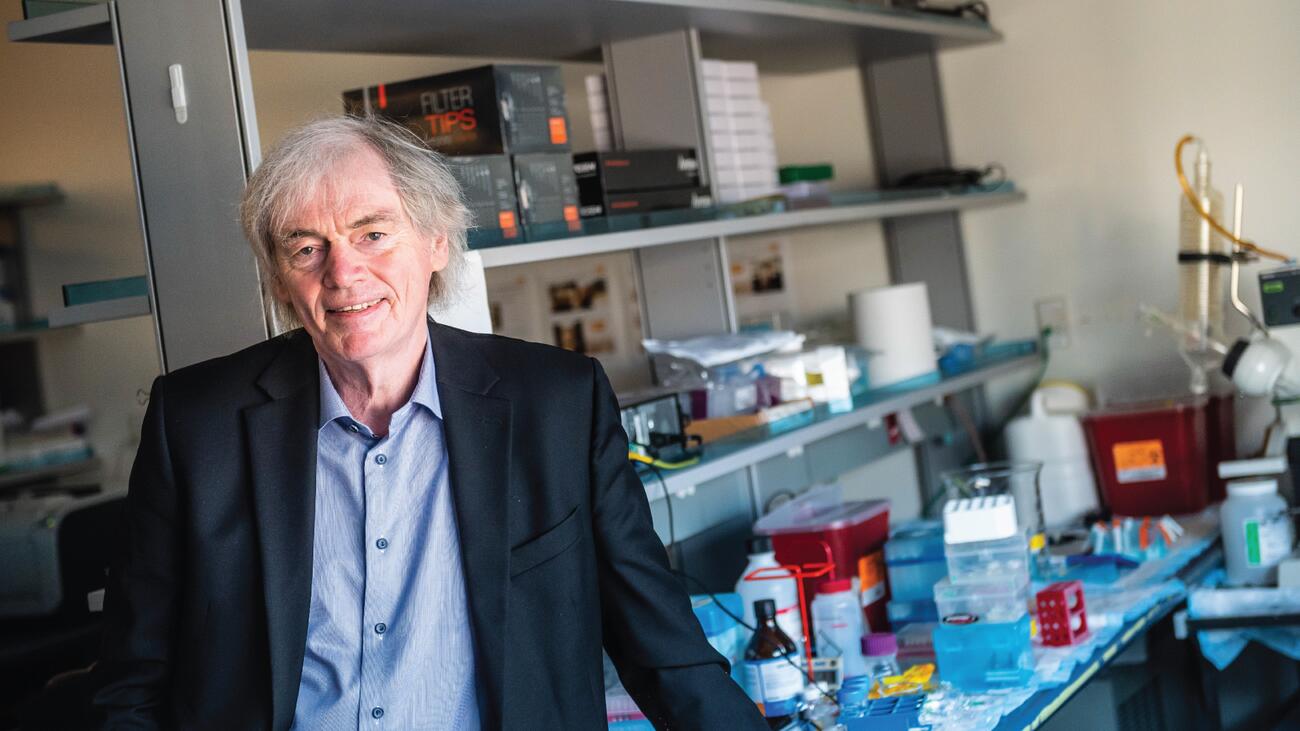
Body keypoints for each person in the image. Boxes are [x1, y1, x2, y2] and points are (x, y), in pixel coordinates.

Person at [92, 116, 765, 729]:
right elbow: (132, 685)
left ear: (436, 239)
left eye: (372, 234)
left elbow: (665, 653)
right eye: (306, 249)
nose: (343, 273)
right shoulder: (195, 424)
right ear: (278, 280)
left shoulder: (557, 405)